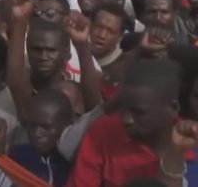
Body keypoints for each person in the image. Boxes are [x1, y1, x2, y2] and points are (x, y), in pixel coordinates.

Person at [66, 59, 195, 186]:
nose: (126, 119)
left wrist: (174, 157)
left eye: (139, 112)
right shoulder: (105, 130)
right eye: (122, 108)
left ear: (173, 108)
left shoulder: (192, 145)